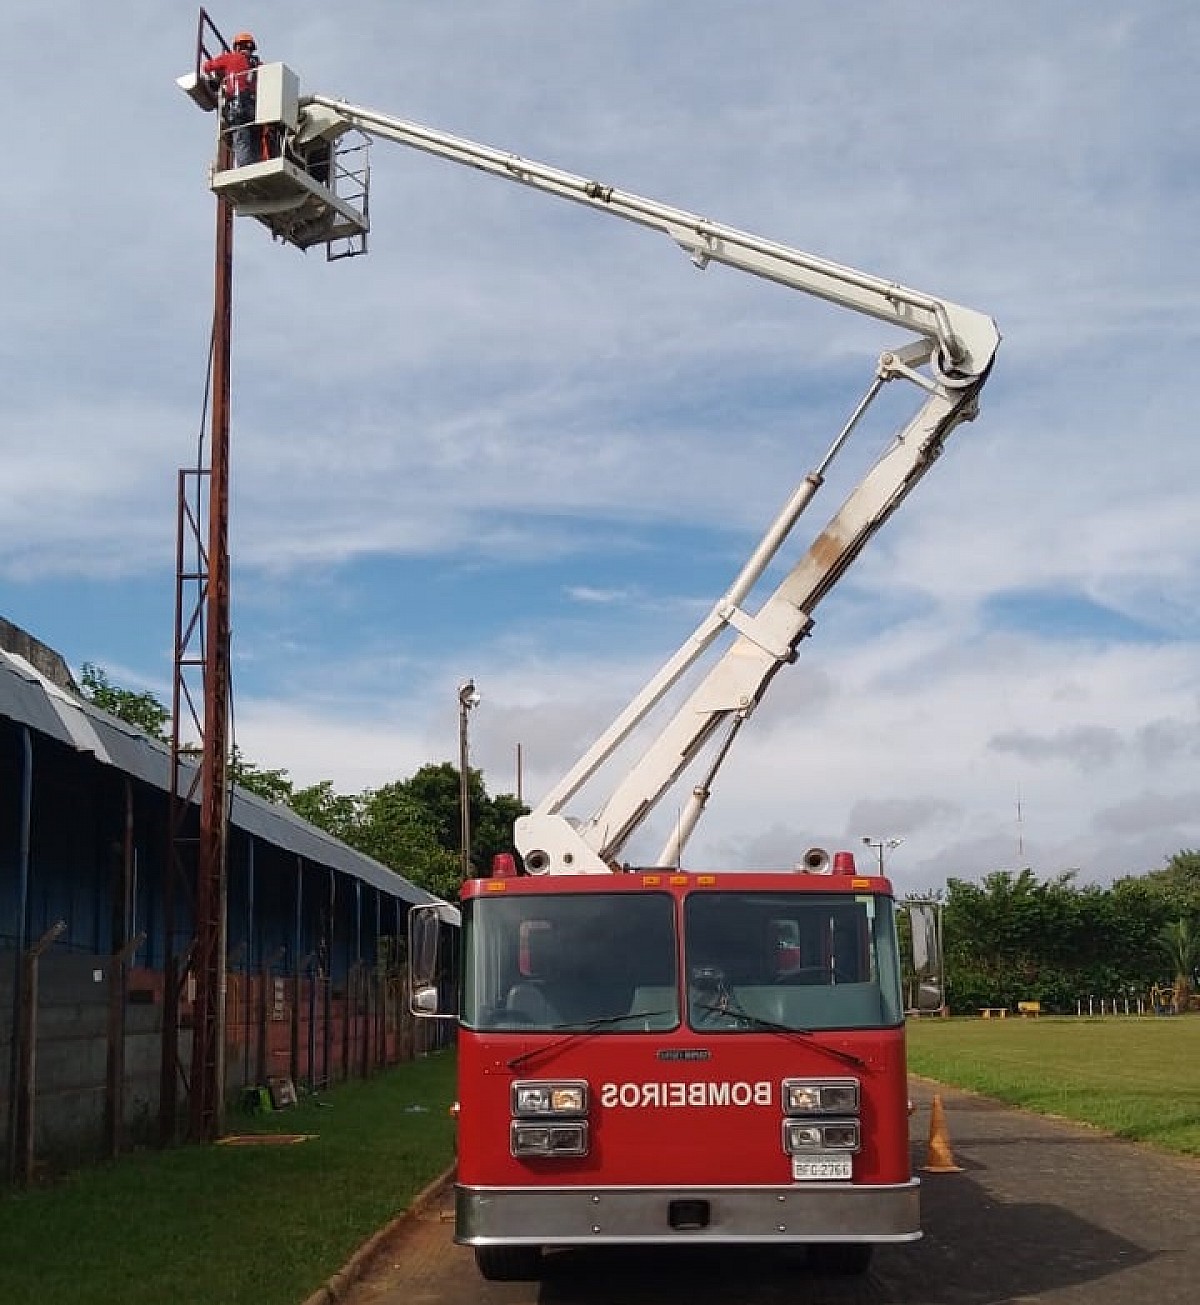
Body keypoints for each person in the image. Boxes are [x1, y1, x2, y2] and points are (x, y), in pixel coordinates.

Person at [202, 31, 261, 168]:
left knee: (241, 139)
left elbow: (207, 66)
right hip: (255, 108)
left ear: (237, 47)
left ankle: (244, 169)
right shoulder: (258, 65)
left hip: (237, 105)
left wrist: (220, 75)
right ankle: (257, 166)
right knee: (254, 138)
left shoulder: (230, 58)